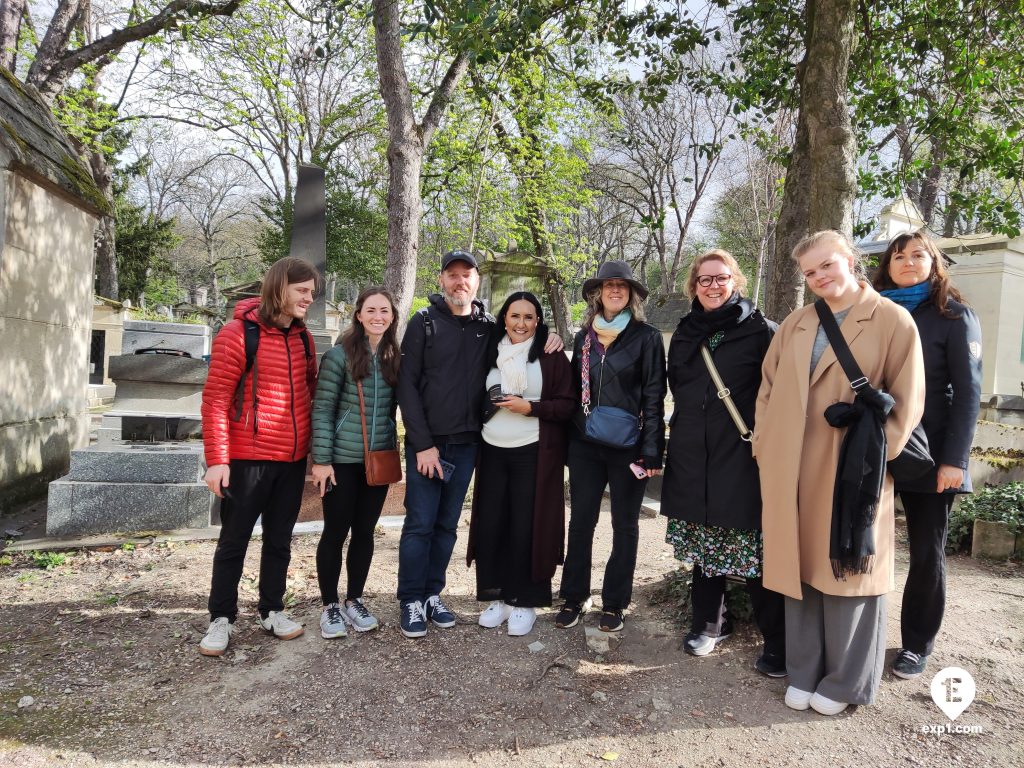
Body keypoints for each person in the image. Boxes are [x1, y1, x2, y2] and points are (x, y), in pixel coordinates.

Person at [754, 230, 925, 715]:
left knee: (850, 569)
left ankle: (846, 681)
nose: (819, 277)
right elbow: (767, 388)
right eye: (810, 272)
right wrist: (766, 444)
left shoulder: (892, 319)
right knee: (800, 566)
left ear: (850, 260)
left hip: (852, 468)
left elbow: (908, 401)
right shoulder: (798, 322)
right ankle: (805, 671)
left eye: (827, 265)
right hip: (791, 466)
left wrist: (872, 462)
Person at [395, 250, 563, 639]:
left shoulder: (486, 326)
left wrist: (550, 334)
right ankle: (410, 599)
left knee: (447, 525)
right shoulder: (423, 323)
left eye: (466, 276)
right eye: (452, 275)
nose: (459, 282)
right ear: (441, 280)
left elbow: (520, 338)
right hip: (429, 444)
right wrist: (421, 444)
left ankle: (432, 594)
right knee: (420, 523)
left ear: (476, 281)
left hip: (470, 444)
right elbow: (407, 385)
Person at [660, 249, 786, 676]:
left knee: (753, 548)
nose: (713, 286)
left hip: (742, 454)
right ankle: (710, 624)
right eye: (705, 280)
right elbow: (677, 385)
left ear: (736, 281)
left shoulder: (762, 330)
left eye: (721, 278)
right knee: (705, 546)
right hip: (693, 452)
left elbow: (782, 393)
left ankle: (777, 641)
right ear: (694, 286)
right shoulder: (684, 332)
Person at [871, 230, 982, 681]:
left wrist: (954, 460)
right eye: (899, 257)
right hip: (871, 449)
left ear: (934, 263)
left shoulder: (954, 316)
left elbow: (969, 393)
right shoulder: (873, 312)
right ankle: (858, 633)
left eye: (918, 255)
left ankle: (917, 642)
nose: (908, 262)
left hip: (928, 454)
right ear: (887, 266)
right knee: (860, 543)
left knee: (925, 552)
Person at [198, 256, 319, 656]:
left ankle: (272, 609)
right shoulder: (237, 334)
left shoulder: (304, 339)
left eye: (312, 292)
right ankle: (222, 617)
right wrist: (217, 459)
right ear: (279, 288)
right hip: (247, 459)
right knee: (234, 541)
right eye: (302, 291)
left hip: (291, 459)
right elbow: (216, 399)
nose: (309, 299)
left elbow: (311, 394)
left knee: (280, 541)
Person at [555, 260, 666, 633]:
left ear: (631, 294)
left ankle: (615, 603)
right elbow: (571, 391)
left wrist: (652, 450)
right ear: (597, 293)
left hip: (629, 446)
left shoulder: (647, 337)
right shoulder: (583, 337)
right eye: (608, 285)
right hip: (586, 444)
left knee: (625, 525)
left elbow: (654, 396)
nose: (615, 290)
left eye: (622, 285)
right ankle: (574, 595)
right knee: (581, 520)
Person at [466, 292, 575, 636]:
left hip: (534, 451)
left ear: (539, 321)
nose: (521, 323)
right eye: (515, 316)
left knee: (528, 525)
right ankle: (498, 596)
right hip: (492, 448)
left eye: (529, 317)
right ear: (504, 318)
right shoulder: (491, 350)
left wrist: (532, 408)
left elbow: (567, 404)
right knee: (493, 523)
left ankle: (525, 599)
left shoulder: (551, 353)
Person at [309, 287, 401, 639]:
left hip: (377, 461)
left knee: (365, 532)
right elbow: (323, 409)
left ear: (392, 316)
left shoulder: (395, 357)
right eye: (371, 310)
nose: (378, 316)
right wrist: (322, 460)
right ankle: (330, 605)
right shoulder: (338, 357)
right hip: (342, 461)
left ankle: (354, 599)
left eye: (385, 311)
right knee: (335, 531)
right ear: (359, 314)